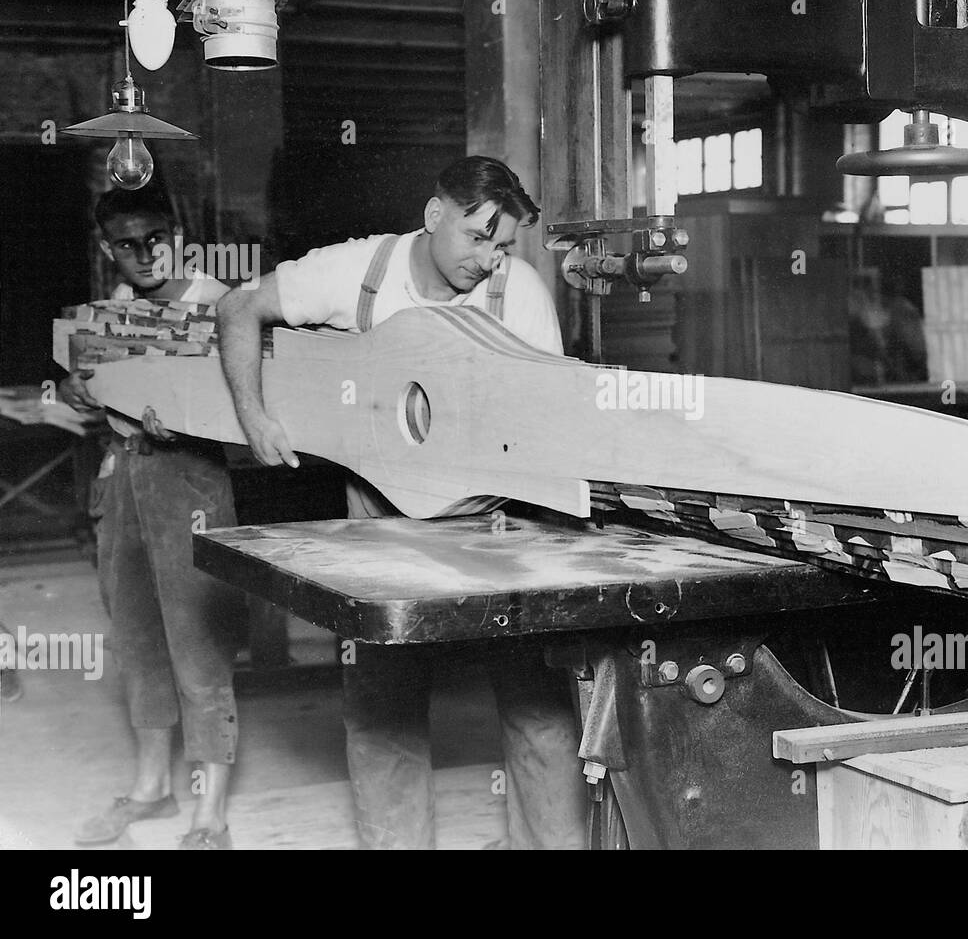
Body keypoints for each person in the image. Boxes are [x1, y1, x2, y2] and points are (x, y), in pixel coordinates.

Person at [216, 155, 587, 849]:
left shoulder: (520, 293)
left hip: (498, 524)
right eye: (478, 237)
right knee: (381, 713)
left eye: (503, 245)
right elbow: (240, 306)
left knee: (540, 711)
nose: (489, 259)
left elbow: (553, 420)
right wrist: (254, 416)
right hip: (380, 524)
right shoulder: (359, 272)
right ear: (434, 214)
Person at [59, 185, 241, 850]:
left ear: (179, 231)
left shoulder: (220, 304)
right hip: (123, 474)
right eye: (127, 245)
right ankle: (150, 788)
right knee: (137, 641)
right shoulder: (112, 312)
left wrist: (188, 414)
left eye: (155, 238)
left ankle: (210, 810)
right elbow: (90, 391)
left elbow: (251, 411)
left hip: (189, 478)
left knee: (199, 645)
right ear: (109, 250)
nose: (145, 255)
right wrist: (82, 390)